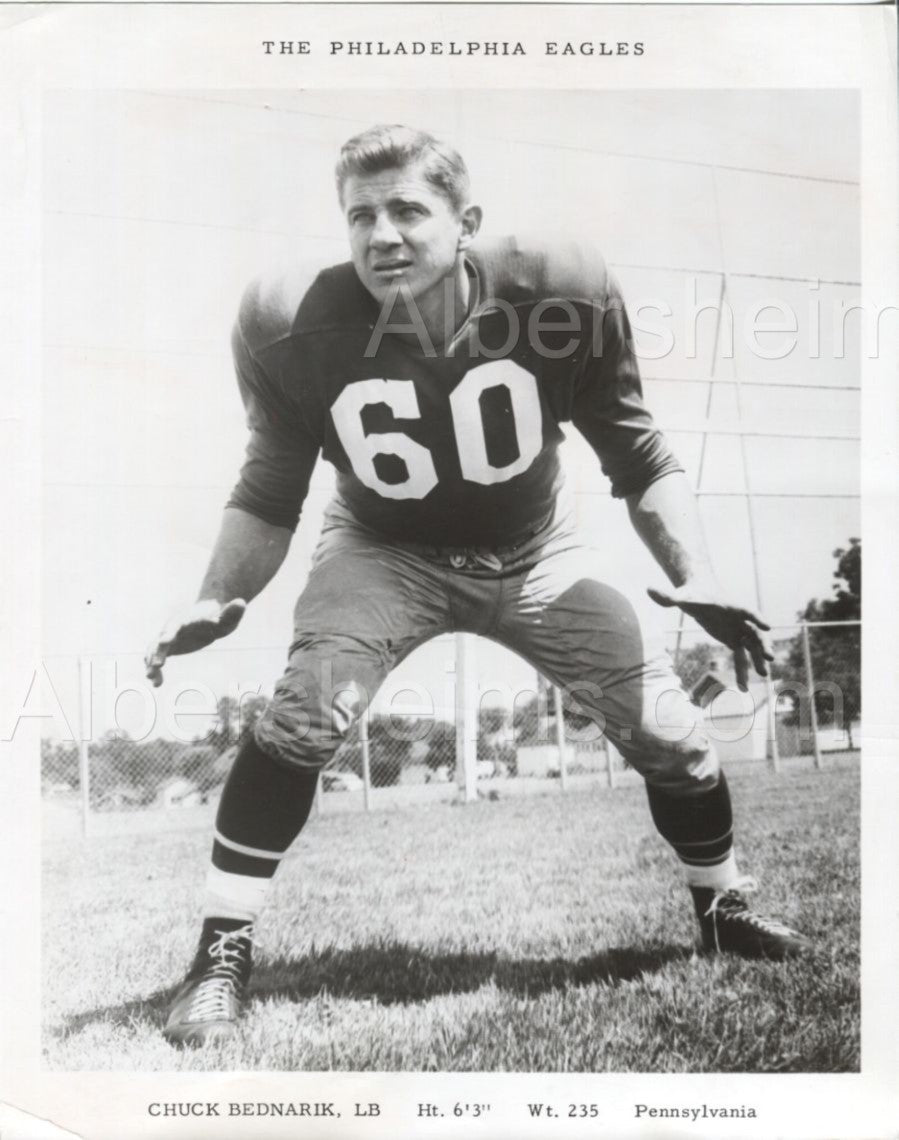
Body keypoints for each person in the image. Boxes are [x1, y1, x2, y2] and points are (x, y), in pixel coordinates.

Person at [146, 124, 811, 1048]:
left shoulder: (558, 287)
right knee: (303, 715)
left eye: (407, 210)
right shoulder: (288, 318)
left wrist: (693, 573)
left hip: (536, 543)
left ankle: (721, 906)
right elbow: (268, 488)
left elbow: (636, 452)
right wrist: (215, 596)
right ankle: (219, 955)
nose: (381, 235)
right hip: (383, 546)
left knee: (671, 734)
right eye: (359, 215)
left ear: (467, 222)